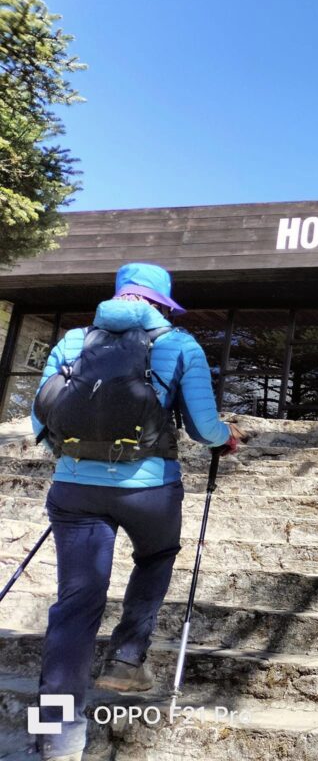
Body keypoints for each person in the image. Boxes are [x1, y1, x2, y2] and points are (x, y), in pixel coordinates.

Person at [29, 263, 244, 761]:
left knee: (73, 607)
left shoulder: (72, 341)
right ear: (160, 303)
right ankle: (127, 657)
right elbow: (204, 429)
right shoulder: (179, 345)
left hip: (75, 491)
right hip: (150, 490)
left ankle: (54, 739)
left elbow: (40, 415)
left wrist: (76, 459)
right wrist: (226, 437)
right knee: (156, 555)